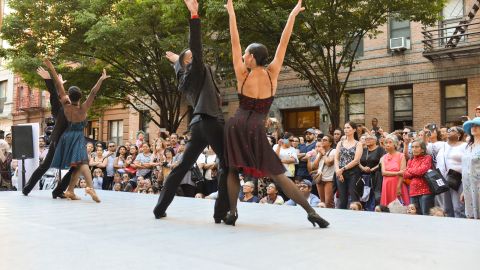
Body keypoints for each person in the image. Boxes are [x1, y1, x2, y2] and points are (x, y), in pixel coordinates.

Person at [223, 0, 328, 228]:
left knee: (232, 169)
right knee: (278, 173)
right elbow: (284, 40)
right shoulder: (273, 73)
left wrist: (231, 13)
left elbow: (234, 41)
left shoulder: (243, 74)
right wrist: (293, 14)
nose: (242, 57)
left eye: (245, 55)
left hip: (238, 124)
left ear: (251, 57)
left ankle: (232, 213)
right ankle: (311, 212)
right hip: (256, 128)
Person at [153, 0, 229, 223]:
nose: (197, 57)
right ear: (191, 61)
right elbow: (195, 47)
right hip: (212, 122)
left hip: (197, 124)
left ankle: (160, 208)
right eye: (191, 57)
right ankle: (220, 213)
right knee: (227, 165)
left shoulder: (185, 77)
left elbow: (183, 63)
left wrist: (177, 61)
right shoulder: (196, 68)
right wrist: (194, 16)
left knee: (182, 166)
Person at [45, 59, 108, 203]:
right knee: (83, 162)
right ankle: (90, 187)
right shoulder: (83, 108)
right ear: (80, 96)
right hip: (78, 137)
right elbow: (93, 92)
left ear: (69, 95)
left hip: (66, 137)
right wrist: (101, 79)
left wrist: (51, 67)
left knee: (77, 165)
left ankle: (71, 190)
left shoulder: (66, 105)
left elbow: (58, 85)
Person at [22, 67, 75, 198]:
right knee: (46, 166)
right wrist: (48, 79)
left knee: (74, 167)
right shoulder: (58, 109)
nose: (68, 100)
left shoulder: (72, 111)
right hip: (58, 144)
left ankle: (56, 191)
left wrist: (60, 85)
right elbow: (53, 93)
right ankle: (29, 189)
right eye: (65, 98)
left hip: (65, 144)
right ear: (60, 101)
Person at [436, 126, 466, 218]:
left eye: (453, 130)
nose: (449, 131)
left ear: (459, 134)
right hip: (444, 180)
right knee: (446, 208)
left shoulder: (464, 146)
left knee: (458, 207)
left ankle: (460, 228)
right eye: (448, 130)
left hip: (458, 179)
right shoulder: (443, 145)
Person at [334, 121, 363, 209]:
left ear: (354, 130)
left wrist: (342, 169)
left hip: (353, 172)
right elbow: (336, 158)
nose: (346, 130)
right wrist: (338, 171)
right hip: (340, 172)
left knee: (354, 197)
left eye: (348, 127)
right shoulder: (340, 143)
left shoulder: (358, 144)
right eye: (345, 128)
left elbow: (356, 160)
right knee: (342, 198)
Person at [403, 139, 433, 215]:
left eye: (416, 147)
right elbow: (405, 175)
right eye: (412, 147)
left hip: (425, 191)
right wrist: (413, 171)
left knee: (425, 214)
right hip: (413, 191)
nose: (414, 149)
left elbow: (421, 171)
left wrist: (409, 170)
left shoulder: (427, 157)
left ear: (422, 149)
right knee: (414, 215)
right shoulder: (411, 160)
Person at [380, 134, 409, 206]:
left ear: (395, 144)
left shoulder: (401, 156)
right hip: (386, 185)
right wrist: (397, 173)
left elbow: (403, 173)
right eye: (386, 143)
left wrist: (398, 187)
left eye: (390, 142)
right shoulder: (383, 157)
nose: (387, 144)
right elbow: (383, 173)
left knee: (400, 207)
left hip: (398, 184)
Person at [359, 134, 385, 209]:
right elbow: (357, 161)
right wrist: (363, 168)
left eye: (370, 139)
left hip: (376, 175)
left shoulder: (380, 149)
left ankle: (377, 210)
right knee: (363, 196)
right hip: (364, 176)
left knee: (376, 196)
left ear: (375, 140)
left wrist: (372, 169)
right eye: (366, 139)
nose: (367, 140)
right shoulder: (363, 150)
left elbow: (382, 161)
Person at [461, 117, 480, 219]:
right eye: (472, 125)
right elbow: (464, 168)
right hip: (468, 186)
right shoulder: (468, 146)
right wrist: (464, 190)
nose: (474, 127)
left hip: (479, 186)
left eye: (477, 125)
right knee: (470, 216)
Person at [310, 135, 336, 208]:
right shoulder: (320, 152)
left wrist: (323, 154)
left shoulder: (334, 151)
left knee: (328, 202)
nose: (322, 141)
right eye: (322, 140)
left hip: (329, 179)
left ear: (330, 143)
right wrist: (320, 155)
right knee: (322, 202)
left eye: (325, 140)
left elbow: (329, 163)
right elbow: (314, 167)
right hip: (319, 178)